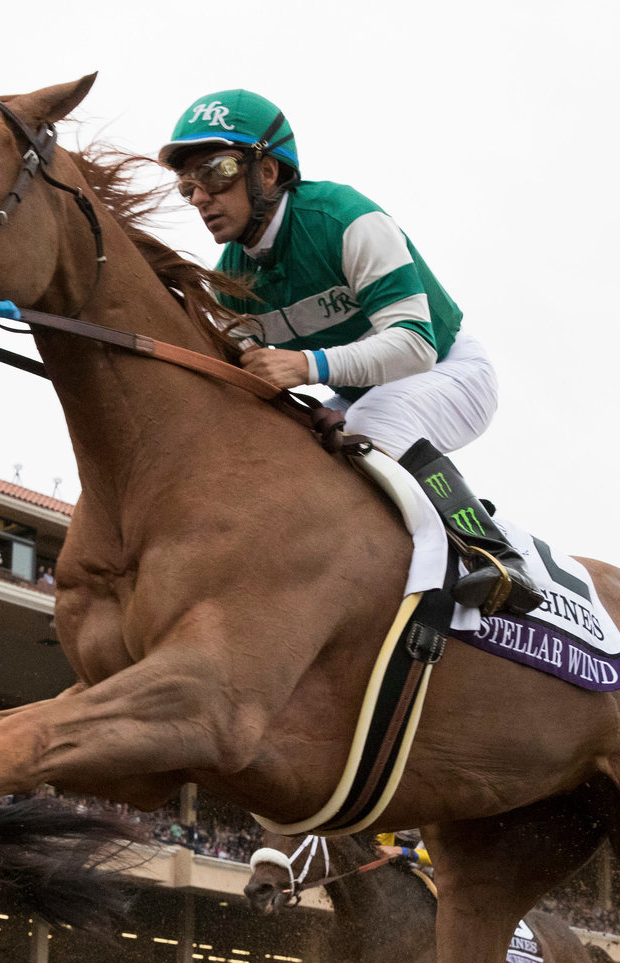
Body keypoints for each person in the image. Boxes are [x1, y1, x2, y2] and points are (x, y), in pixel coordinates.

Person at [159, 90, 539, 616]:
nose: (200, 196)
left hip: (451, 368)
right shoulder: (229, 283)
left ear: (267, 171)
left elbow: (415, 345)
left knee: (376, 418)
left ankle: (494, 556)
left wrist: (306, 365)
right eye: (187, 185)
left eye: (217, 170)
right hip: (356, 396)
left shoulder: (344, 218)